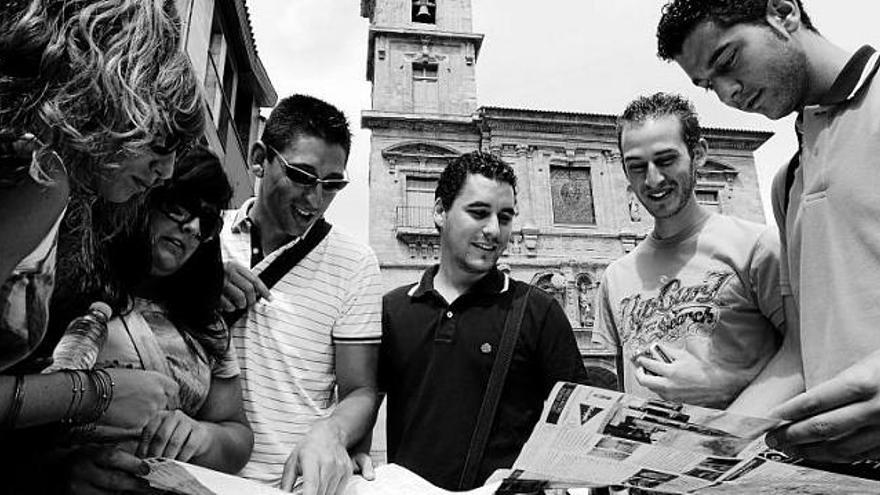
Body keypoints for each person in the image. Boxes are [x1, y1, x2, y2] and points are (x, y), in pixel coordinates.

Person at [657, 0, 880, 463]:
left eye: (727, 61)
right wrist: (708, 452)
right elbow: (800, 351)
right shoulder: (788, 182)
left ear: (783, 12)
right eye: (708, 85)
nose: (728, 94)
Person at [0, 0, 202, 439]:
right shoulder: (41, 179)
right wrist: (95, 394)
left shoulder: (61, 192)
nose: (166, 172)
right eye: (161, 142)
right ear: (105, 96)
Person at [380, 150, 589, 490]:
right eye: (478, 213)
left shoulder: (538, 310)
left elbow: (578, 423)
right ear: (439, 212)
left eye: (505, 217)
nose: (493, 230)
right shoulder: (392, 310)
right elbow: (359, 404)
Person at [57, 147, 252, 494]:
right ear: (141, 195)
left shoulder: (205, 321)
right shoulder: (64, 287)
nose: (191, 227)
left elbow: (236, 435)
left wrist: (202, 436)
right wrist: (54, 469)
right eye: (180, 205)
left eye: (206, 221)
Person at [220, 94, 381, 493]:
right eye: (302, 176)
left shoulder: (355, 262)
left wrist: (333, 432)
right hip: (198, 475)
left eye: (332, 184)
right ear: (260, 158)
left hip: (296, 486)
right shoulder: (202, 238)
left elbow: (360, 389)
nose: (316, 200)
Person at [593, 92, 785, 410]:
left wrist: (728, 388)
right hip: (651, 456)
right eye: (637, 166)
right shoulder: (615, 277)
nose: (653, 179)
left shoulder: (757, 247)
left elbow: (811, 357)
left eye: (666, 160)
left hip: (739, 453)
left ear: (698, 153)